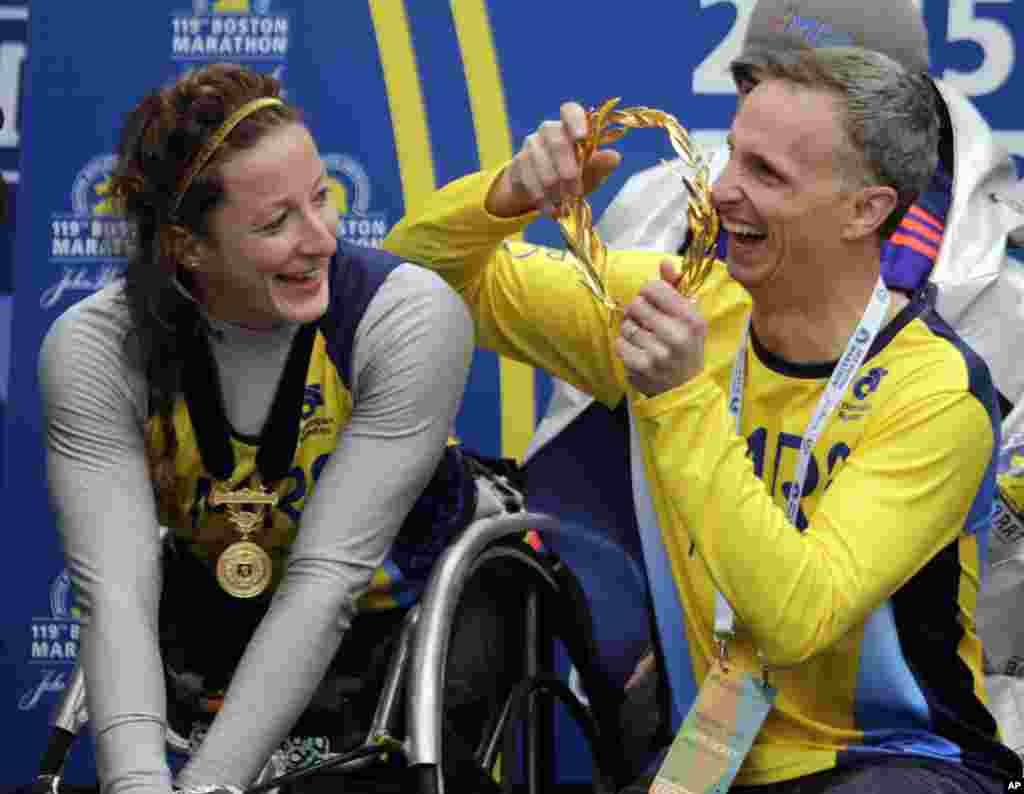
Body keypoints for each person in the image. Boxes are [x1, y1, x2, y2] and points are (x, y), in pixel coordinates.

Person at [384, 47, 1024, 793]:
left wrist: (679, 394)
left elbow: (795, 617)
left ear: (866, 210)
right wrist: (504, 196)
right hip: (714, 750)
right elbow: (413, 290)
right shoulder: (686, 300)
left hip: (895, 759)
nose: (720, 192)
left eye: (767, 175)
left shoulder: (935, 390)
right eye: (731, 158)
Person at [39, 62, 518, 794]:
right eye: (276, 222)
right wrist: (136, 780)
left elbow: (330, 578)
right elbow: (118, 595)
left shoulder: (406, 318)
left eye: (320, 200)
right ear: (188, 247)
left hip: (402, 611)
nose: (321, 238)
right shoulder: (97, 348)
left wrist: (210, 786)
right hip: (220, 611)